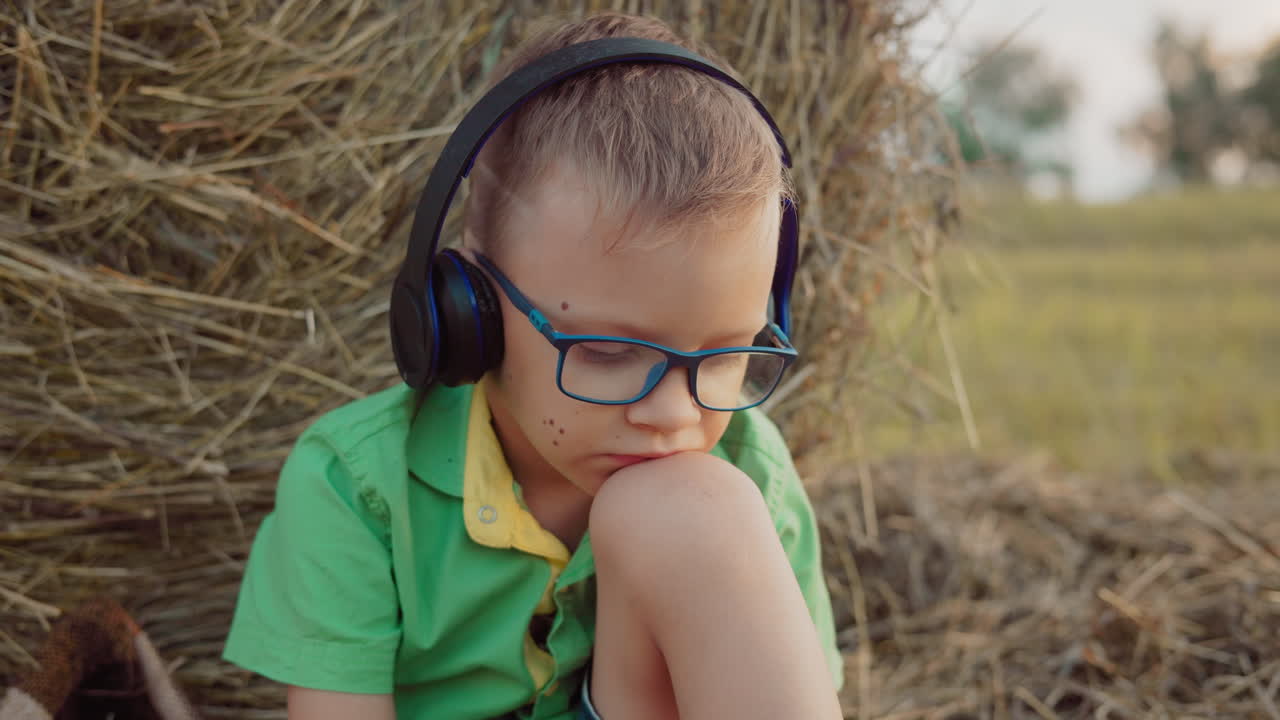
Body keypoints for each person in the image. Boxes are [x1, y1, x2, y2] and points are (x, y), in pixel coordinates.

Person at [223, 12, 844, 720]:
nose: (675, 415)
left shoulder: (749, 471)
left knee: (697, 510)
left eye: (730, 354)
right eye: (608, 352)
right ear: (466, 311)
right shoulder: (358, 487)